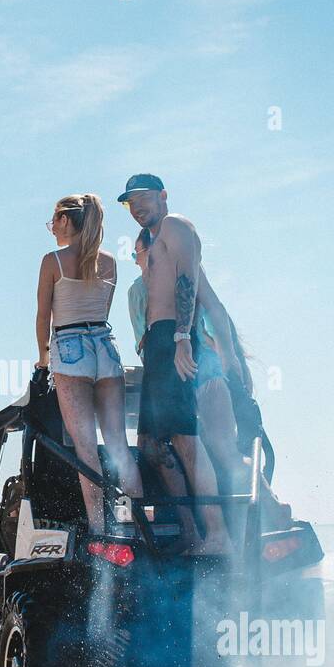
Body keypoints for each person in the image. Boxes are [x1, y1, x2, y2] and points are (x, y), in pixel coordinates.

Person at [118, 174, 231, 556]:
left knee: (187, 440)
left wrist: (184, 339)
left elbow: (189, 284)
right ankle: (191, 532)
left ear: (163, 196)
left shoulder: (175, 226)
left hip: (174, 338)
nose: (137, 208)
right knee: (151, 445)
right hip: (158, 346)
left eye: (143, 199)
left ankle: (217, 535)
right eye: (130, 203)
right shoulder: (150, 242)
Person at [35, 193, 143, 536]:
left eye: (54, 221)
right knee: (118, 447)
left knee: (85, 449)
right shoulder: (109, 262)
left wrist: (43, 358)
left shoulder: (53, 261)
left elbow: (43, 317)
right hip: (106, 349)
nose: (52, 229)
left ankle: (99, 527)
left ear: (67, 221)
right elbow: (103, 312)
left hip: (69, 348)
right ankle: (131, 523)